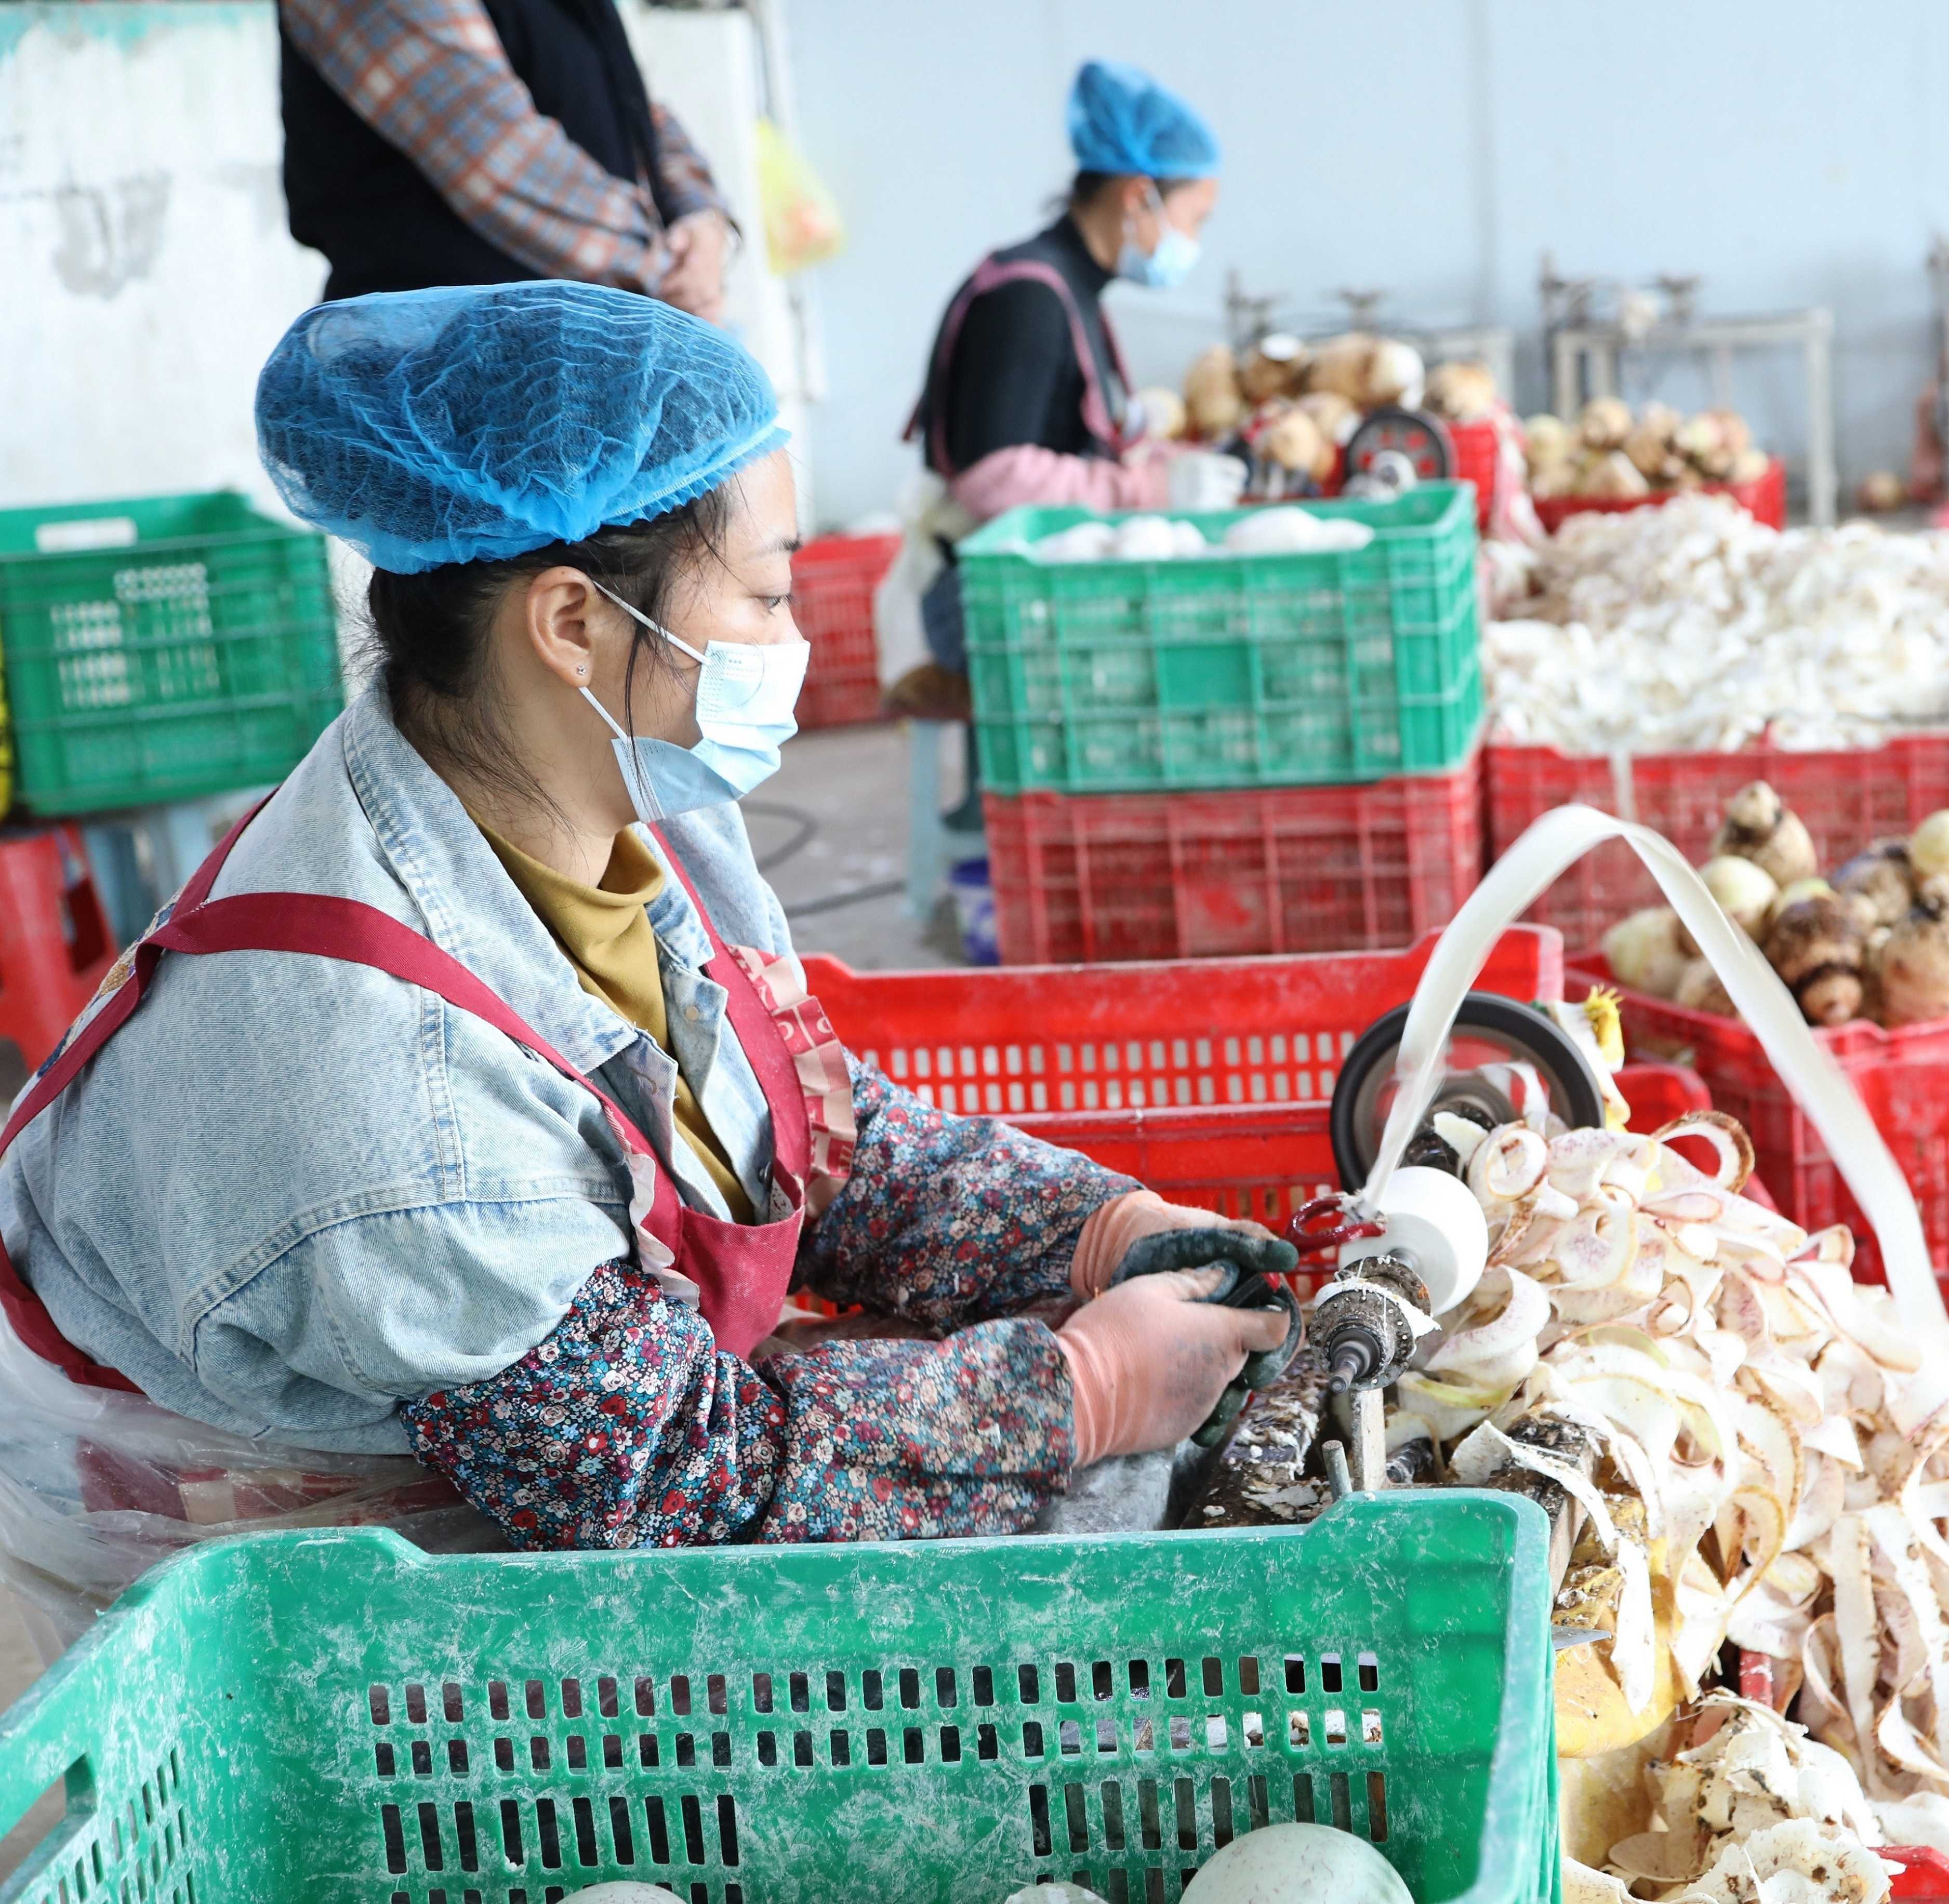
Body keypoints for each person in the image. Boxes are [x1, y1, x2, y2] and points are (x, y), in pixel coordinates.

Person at [0, 284, 1288, 1629]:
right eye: (767, 594)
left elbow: (789, 1127)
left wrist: (1086, 1232)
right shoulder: (394, 1096)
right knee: (1096, 1525)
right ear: (571, 625)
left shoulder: (621, 790)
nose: (794, 641)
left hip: (578, 1426)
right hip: (276, 1582)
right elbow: (673, 1480)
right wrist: (1071, 1396)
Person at [883, 59, 1244, 739]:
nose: (1193, 242)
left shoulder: (1072, 288)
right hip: (973, 603)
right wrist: (1145, 491)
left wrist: (1170, 461)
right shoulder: (1027, 299)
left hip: (1027, 589)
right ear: (1139, 196)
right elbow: (994, 477)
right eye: (1195, 219)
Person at [276, 0, 733, 316]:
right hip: (444, 373)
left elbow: (637, 112)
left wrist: (703, 222)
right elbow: (500, 166)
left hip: (577, 359)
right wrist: (675, 272)